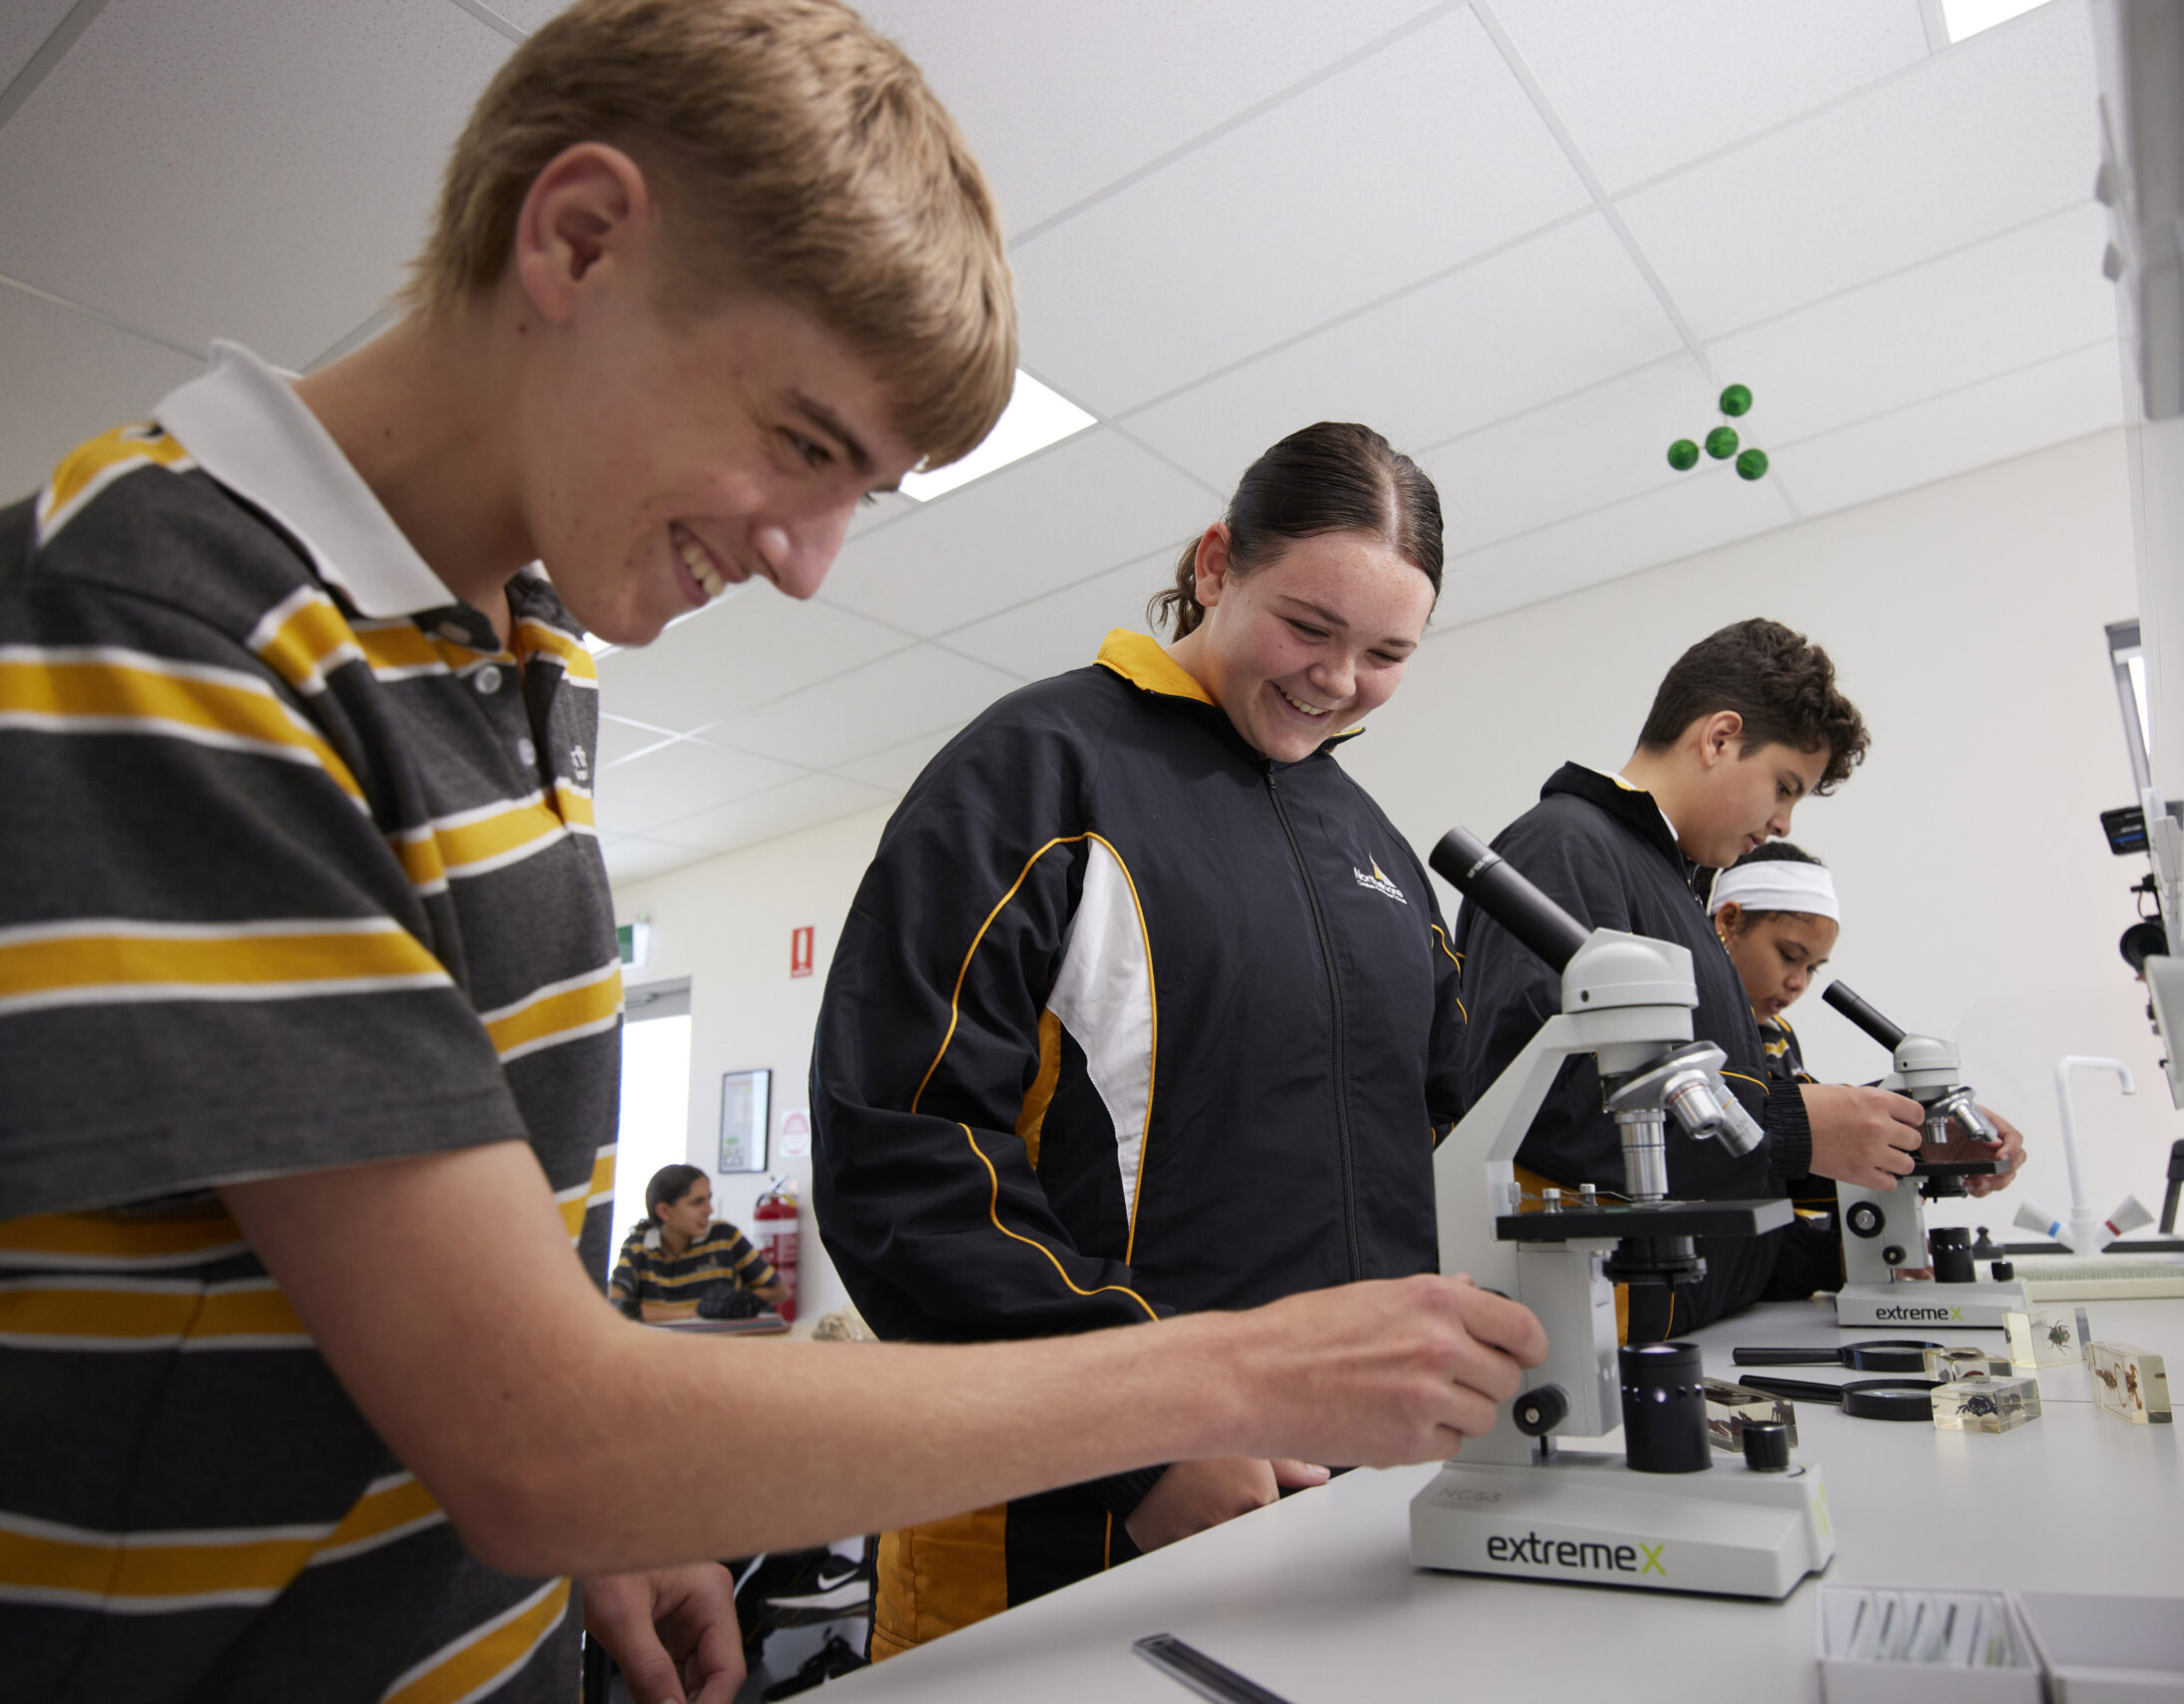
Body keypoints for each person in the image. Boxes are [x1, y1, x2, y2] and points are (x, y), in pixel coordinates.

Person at [0, 8, 1544, 1702]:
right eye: (804, 444)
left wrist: (614, 1500)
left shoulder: (523, 652)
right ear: (579, 241)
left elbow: (451, 1323)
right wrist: (1224, 1379)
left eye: (858, 492)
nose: (809, 565)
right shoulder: (159, 634)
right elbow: (540, 1429)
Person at [811, 421, 1468, 1659]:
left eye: (1386, 654)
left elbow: (1434, 1145)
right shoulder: (1037, 772)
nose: (1338, 681)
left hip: (1344, 1499)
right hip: (1072, 1506)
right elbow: (900, 1150)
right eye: (1309, 627)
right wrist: (1141, 1435)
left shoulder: (1375, 849)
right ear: (1215, 565)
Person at [1457, 618, 1964, 1337]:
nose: (1784, 823)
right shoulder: (1564, 847)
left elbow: (1712, 1166)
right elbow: (1547, 1112)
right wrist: (1793, 1127)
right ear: (1720, 738)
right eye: (1784, 786)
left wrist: (1895, 1137)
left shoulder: (1674, 887)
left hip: (1699, 1324)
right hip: (1599, 1337)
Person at [1705, 842, 2026, 1287]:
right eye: (1789, 956)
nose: (1798, 983)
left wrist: (1922, 1139)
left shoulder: (1774, 1036)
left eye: (1813, 968)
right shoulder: (1693, 1030)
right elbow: (1717, 1167)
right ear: (1728, 922)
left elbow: (1792, 1165)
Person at [611, 1165, 785, 1321]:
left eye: (709, 1199)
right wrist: (696, 1312)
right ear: (664, 1211)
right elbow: (615, 1305)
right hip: (662, 1343)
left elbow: (779, 1291)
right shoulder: (637, 1247)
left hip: (720, 1342)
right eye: (697, 1202)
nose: (709, 1210)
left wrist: (738, 1299)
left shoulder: (725, 1237)